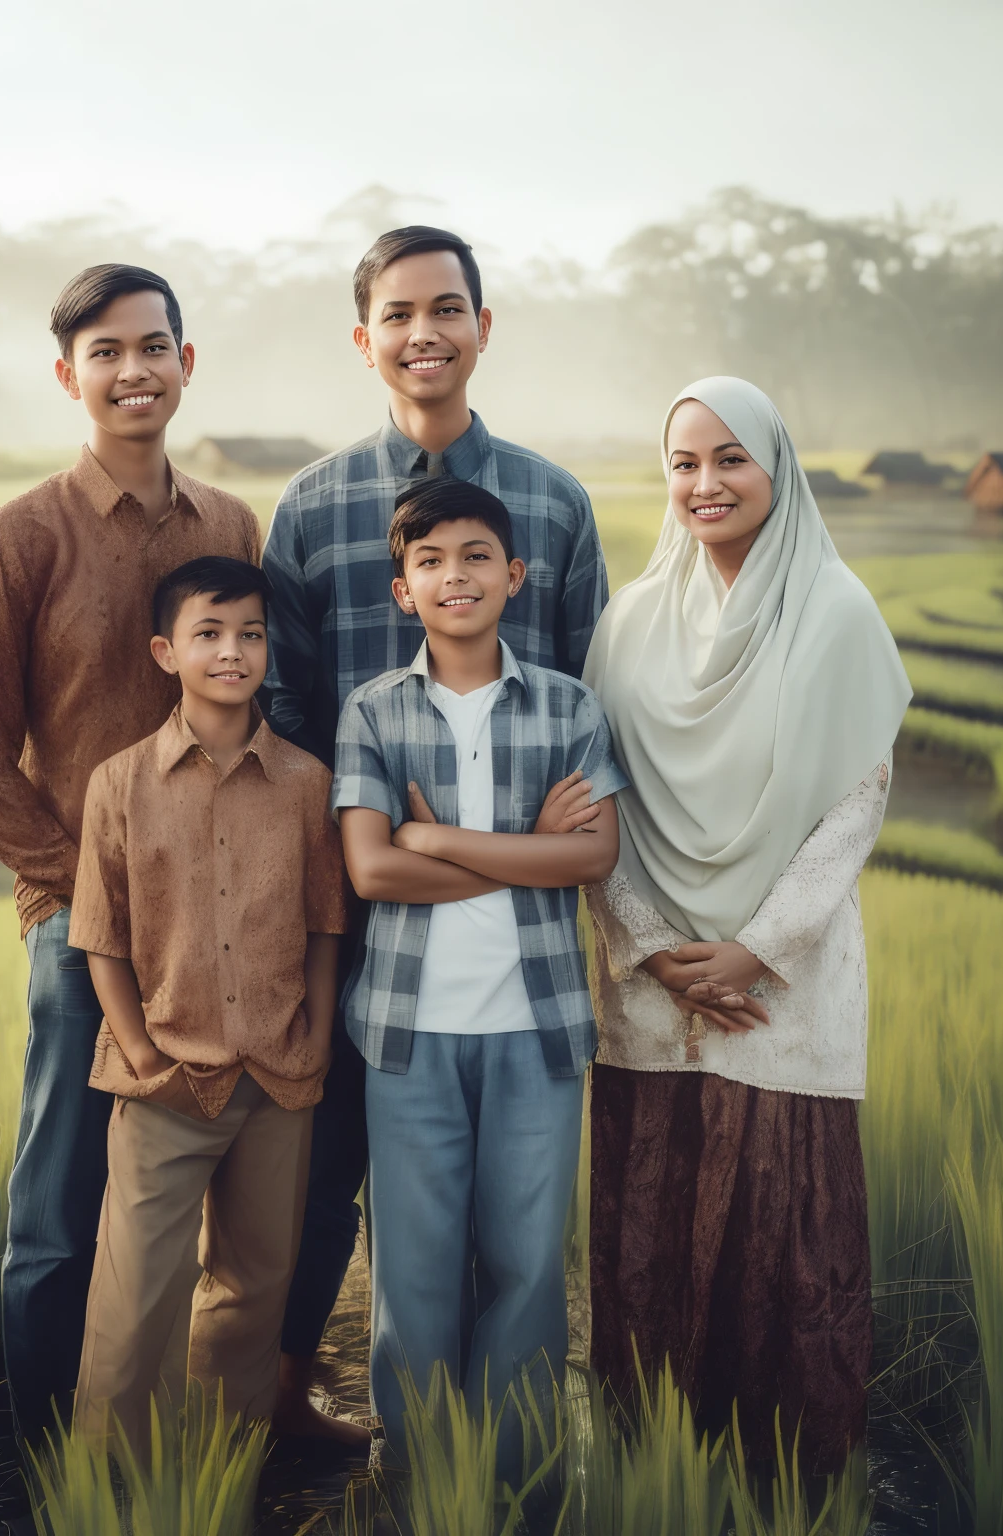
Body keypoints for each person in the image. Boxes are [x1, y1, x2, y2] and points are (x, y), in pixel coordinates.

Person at [262, 225, 609, 1446]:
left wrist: (466, 844)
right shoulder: (309, 509)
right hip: (361, 904)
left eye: (447, 308)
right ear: (365, 339)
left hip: (523, 933)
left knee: (514, 1216)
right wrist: (361, 859)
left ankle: (502, 1451)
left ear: (482, 326)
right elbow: (289, 708)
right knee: (344, 1180)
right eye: (398, 314)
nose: (425, 333)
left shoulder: (555, 506)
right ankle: (287, 1409)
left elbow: (583, 688)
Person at [0, 265, 260, 1453]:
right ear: (68, 373)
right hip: (78, 927)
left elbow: (249, 707)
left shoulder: (231, 527)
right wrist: (86, 893)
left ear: (188, 363)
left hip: (220, 920)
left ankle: (156, 1424)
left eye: (154, 346)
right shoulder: (20, 536)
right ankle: (40, 1454)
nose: (134, 369)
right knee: (63, 1197)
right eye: (107, 350)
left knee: (189, 1186)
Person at [581, 376, 911, 1473]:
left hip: (786, 978)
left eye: (731, 459)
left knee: (784, 1227)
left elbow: (855, 800)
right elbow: (598, 802)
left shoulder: (835, 610)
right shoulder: (630, 624)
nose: (704, 483)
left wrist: (755, 949)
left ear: (778, 467)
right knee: (655, 1225)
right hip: (650, 980)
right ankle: (654, 1464)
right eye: (683, 463)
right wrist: (656, 946)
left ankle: (786, 1475)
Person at [334, 477, 627, 1470]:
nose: (453, 577)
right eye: (428, 562)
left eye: (472, 558)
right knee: (412, 1269)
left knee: (526, 1264)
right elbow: (371, 869)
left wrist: (435, 836)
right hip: (406, 1031)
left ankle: (515, 1467)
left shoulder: (568, 707)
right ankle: (417, 1469)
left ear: (515, 575)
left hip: (537, 1028)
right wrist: (516, 850)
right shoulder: (372, 712)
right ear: (402, 591)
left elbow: (590, 859)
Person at [69, 557, 345, 1453]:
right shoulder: (119, 783)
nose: (234, 651)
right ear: (166, 651)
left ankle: (225, 1473)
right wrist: (144, 1057)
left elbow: (324, 927)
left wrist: (313, 1039)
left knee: (254, 1286)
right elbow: (101, 938)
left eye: (251, 634)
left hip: (276, 1078)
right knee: (134, 1295)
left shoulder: (306, 783)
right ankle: (113, 1487)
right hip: (165, 1084)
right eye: (210, 634)